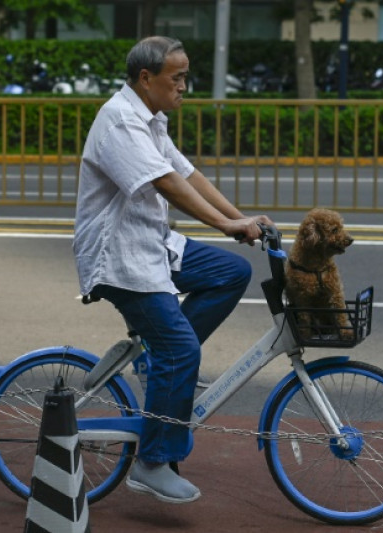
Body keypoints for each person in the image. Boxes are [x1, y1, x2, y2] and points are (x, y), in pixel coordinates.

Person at [72, 36, 273, 504]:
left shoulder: (151, 119)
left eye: (186, 76)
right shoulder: (120, 120)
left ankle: (155, 361)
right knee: (181, 349)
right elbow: (165, 184)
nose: (185, 86)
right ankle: (151, 462)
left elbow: (187, 175)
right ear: (147, 79)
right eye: (177, 77)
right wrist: (226, 224)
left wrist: (241, 218)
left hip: (153, 244)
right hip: (119, 258)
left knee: (230, 273)